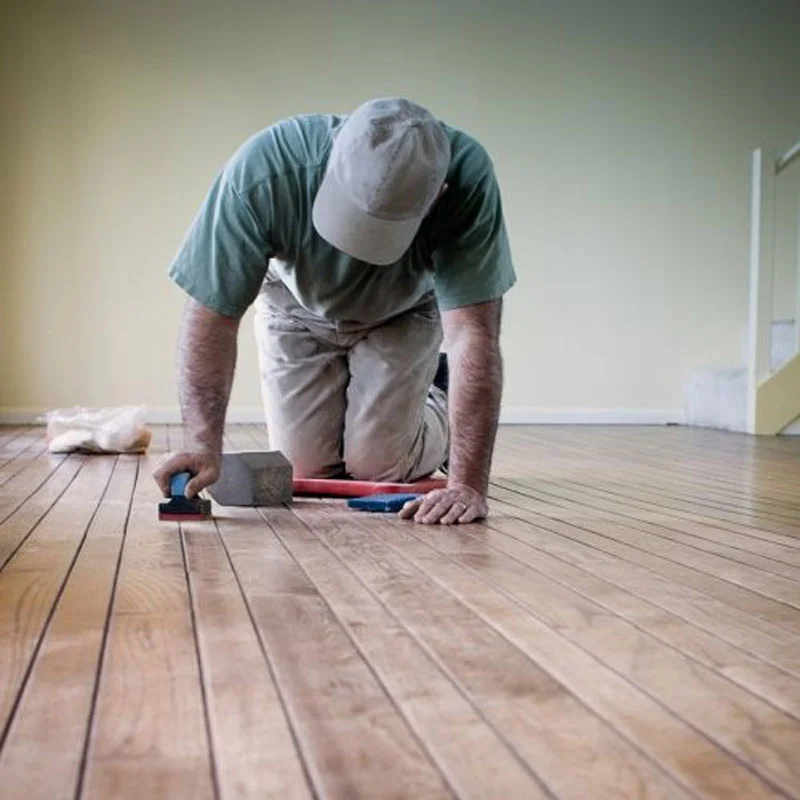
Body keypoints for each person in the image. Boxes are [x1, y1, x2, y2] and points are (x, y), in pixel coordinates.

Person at [153, 97, 515, 525]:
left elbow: (473, 334)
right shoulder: (264, 170)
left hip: (402, 311)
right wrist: (201, 443)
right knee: (304, 467)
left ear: (437, 197)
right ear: (331, 158)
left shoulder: (468, 180)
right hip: (294, 308)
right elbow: (211, 315)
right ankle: (395, 409)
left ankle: (436, 396)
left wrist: (468, 484)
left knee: (380, 467)